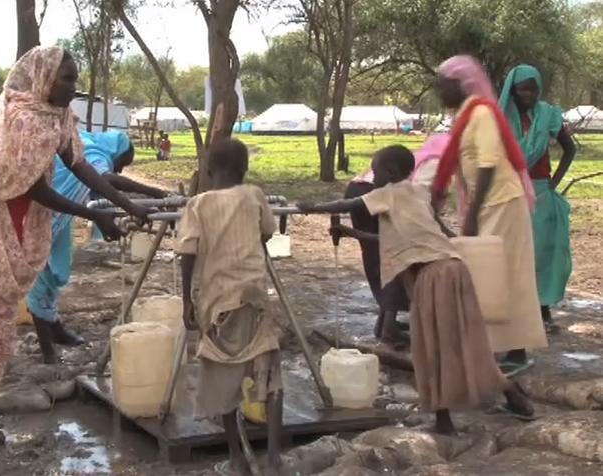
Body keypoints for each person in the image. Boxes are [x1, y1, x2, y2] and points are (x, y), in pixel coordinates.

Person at [0, 46, 149, 429]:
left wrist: (124, 203)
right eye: (67, 79)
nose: (74, 87)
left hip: (8, 211)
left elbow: (79, 164)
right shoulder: (21, 118)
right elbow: (33, 189)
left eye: (76, 79)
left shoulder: (58, 116)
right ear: (45, 77)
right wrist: (94, 213)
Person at [298, 145, 534, 435]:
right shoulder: (418, 195)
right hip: (456, 270)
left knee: (429, 348)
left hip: (431, 276)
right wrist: (350, 234)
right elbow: (417, 236)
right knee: (468, 342)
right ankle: (512, 394)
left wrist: (311, 208)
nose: (373, 178)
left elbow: (347, 206)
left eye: (377, 170)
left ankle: (444, 421)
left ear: (392, 172)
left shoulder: (385, 193)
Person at [433, 55, 547, 376]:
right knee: (493, 275)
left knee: (504, 275)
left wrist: (470, 217)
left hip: (502, 201)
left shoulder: (481, 112)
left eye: (443, 85)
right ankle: (500, 349)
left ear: (461, 84)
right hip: (491, 203)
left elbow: (488, 163)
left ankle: (513, 352)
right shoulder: (465, 116)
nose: (439, 92)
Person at [178, 138, 284, 475]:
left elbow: (188, 252)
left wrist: (186, 298)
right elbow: (266, 232)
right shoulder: (254, 195)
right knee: (270, 375)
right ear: (245, 170)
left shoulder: (198, 204)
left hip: (219, 302)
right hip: (255, 297)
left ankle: (236, 455)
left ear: (208, 172)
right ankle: (274, 457)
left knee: (224, 376)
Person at [27, 130, 168, 363]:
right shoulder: (92, 151)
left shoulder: (90, 144)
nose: (120, 170)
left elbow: (99, 199)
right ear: (119, 152)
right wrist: (153, 192)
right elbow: (106, 180)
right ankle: (48, 351)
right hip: (41, 215)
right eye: (122, 164)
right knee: (40, 276)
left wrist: (113, 227)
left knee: (57, 271)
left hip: (60, 216)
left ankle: (54, 327)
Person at [343, 133, 449, 345]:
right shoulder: (440, 162)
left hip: (360, 189)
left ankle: (386, 323)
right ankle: (389, 326)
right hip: (367, 194)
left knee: (384, 254)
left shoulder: (438, 150)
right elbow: (425, 203)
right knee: (390, 257)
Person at [499, 65, 576, 333]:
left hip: (540, 192)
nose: (528, 94)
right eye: (523, 89)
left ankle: (543, 310)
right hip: (507, 193)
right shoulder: (499, 119)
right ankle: (513, 309)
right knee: (512, 253)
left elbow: (570, 148)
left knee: (542, 253)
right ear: (513, 90)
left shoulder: (547, 115)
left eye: (533, 89)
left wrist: (553, 182)